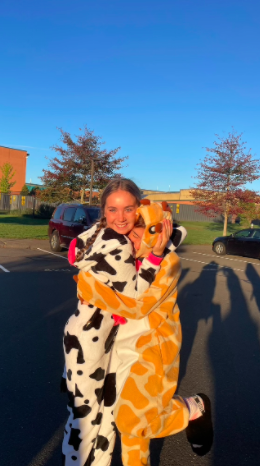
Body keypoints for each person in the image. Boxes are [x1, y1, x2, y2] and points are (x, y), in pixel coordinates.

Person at [62, 178, 213, 466]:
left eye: (131, 214)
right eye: (113, 211)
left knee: (132, 423)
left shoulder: (167, 262)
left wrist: (154, 255)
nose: (127, 227)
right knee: (128, 425)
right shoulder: (115, 247)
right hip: (118, 346)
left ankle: (193, 408)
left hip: (152, 346)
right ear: (104, 212)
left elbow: (136, 306)